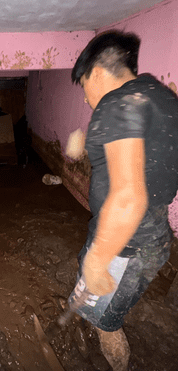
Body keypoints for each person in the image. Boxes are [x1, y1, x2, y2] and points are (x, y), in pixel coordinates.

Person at [69, 30, 178, 371]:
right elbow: (146, 163)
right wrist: (82, 151)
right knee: (89, 289)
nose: (87, 100)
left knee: (106, 319)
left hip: (126, 246)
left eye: (85, 86)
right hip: (150, 235)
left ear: (97, 74)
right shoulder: (162, 96)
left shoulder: (116, 104)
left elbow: (128, 196)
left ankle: (116, 359)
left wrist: (97, 260)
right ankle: (87, 311)